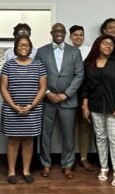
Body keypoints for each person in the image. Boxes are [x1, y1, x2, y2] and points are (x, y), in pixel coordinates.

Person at [80, 35, 115, 186]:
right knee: (101, 138)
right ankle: (104, 167)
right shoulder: (89, 63)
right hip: (95, 106)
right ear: (98, 45)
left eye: (111, 44)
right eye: (105, 43)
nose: (108, 46)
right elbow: (85, 86)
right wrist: (85, 105)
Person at [35, 23, 84, 179]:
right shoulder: (41, 52)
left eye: (61, 31)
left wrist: (66, 94)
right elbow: (37, 73)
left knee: (68, 135)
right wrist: (47, 92)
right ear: (51, 33)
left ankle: (68, 165)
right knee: (45, 135)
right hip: (47, 100)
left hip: (67, 101)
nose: (58, 33)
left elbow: (79, 75)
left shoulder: (75, 52)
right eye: (56, 31)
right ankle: (46, 164)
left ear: (65, 33)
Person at [0, 36, 47, 184]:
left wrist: (31, 105)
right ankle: (11, 171)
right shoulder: (8, 65)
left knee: (28, 141)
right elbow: (3, 88)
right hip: (11, 109)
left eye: (26, 45)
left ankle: (26, 171)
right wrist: (14, 106)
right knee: (13, 140)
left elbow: (43, 87)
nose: (23, 47)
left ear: (31, 47)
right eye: (20, 45)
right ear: (15, 47)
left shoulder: (39, 65)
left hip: (33, 110)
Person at [69, 25, 94, 170]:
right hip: (70, 93)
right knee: (69, 127)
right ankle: (69, 158)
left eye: (81, 35)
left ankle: (84, 157)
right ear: (70, 37)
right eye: (75, 35)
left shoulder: (90, 51)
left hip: (86, 93)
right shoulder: (66, 51)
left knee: (85, 126)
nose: (78, 37)